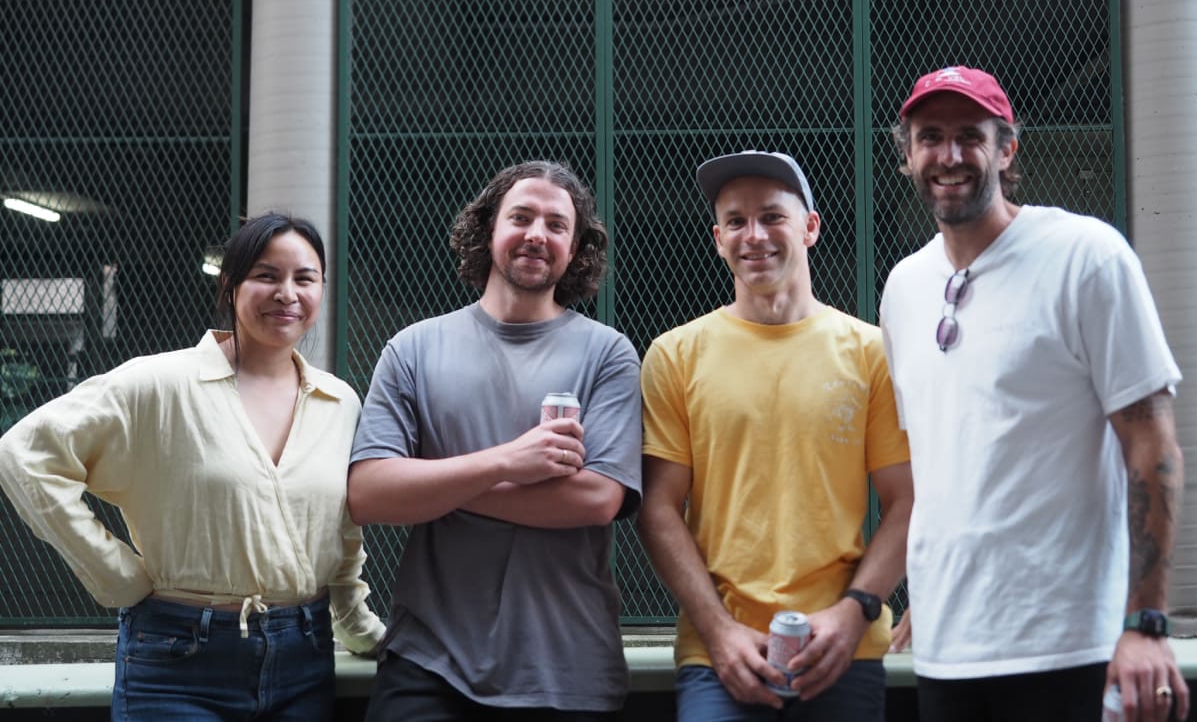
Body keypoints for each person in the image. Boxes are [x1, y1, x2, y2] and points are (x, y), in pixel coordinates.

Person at [879, 66, 1190, 722]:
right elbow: (946, 461)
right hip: (948, 648)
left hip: (1071, 646)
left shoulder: (1086, 256)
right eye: (929, 136)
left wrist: (1147, 622)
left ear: (1007, 148)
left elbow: (1152, 444)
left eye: (971, 136)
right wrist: (930, 596)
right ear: (906, 153)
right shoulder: (904, 287)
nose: (950, 154)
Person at [0, 212, 385, 721]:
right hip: (175, 659)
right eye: (266, 275)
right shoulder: (158, 384)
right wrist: (118, 579)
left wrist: (358, 627)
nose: (287, 293)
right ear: (230, 284)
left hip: (304, 657)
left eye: (304, 278)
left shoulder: (339, 401)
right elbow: (22, 454)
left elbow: (341, 533)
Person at [347, 160, 643, 720]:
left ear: (577, 249)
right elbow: (370, 493)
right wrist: (510, 460)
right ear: (489, 229)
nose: (537, 234)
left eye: (557, 225)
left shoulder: (609, 354)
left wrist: (436, 482)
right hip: (428, 664)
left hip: (564, 669)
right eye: (522, 217)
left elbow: (596, 500)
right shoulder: (411, 349)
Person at [637, 150, 914, 721]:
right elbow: (659, 508)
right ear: (717, 239)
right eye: (735, 221)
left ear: (810, 227)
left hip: (843, 650)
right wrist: (719, 632)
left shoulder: (871, 353)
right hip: (720, 658)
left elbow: (908, 500)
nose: (753, 235)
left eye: (772, 216)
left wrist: (854, 612)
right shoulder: (675, 355)